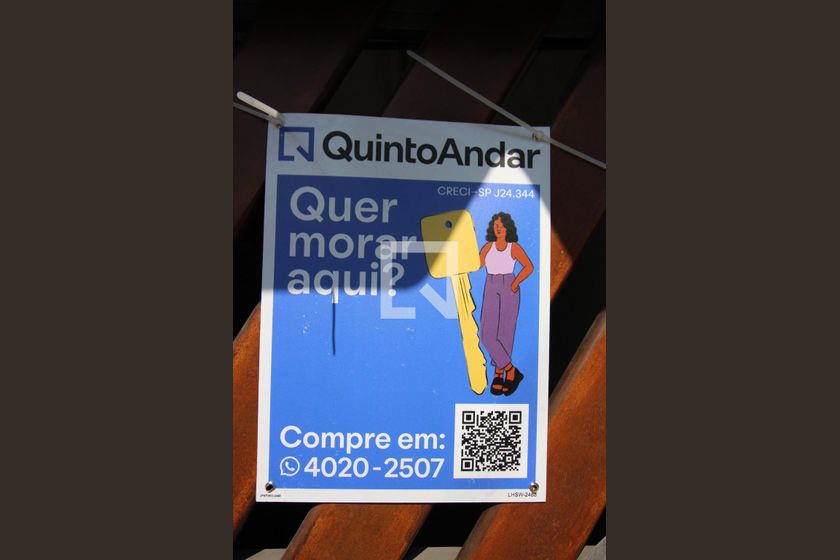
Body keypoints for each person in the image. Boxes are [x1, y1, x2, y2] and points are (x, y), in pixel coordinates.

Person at [478, 212, 534, 396]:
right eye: (496, 226)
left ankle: (498, 373)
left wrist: (515, 283)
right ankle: (511, 370)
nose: (499, 228)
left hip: (509, 285)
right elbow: (477, 264)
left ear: (508, 228)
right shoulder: (488, 247)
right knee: (487, 334)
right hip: (491, 285)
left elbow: (529, 266)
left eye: (502, 226)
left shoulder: (513, 247)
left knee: (505, 333)